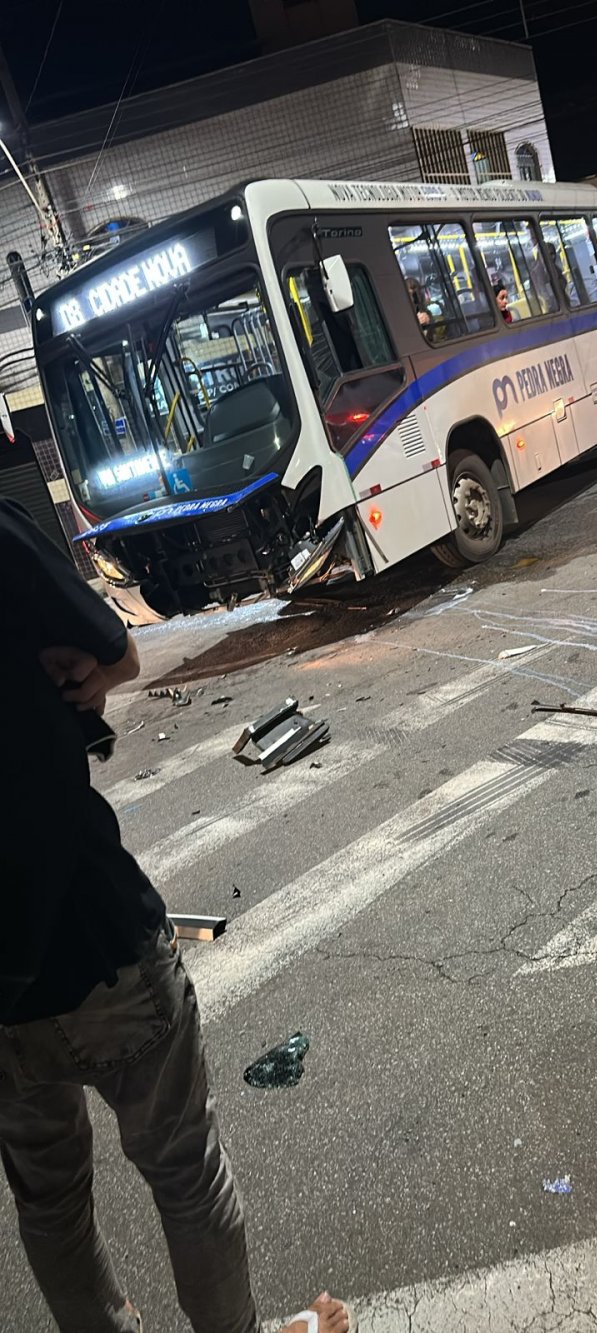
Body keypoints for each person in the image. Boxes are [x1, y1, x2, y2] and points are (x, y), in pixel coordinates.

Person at [0, 496, 356, 1333]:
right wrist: (90, 678)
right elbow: (115, 652)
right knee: (184, 1171)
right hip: (93, 935)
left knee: (50, 1202)